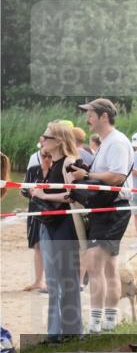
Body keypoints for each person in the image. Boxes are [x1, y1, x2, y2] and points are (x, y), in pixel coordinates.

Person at [70, 98, 133, 333]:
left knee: (94, 263)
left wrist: (86, 175)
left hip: (114, 208)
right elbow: (106, 176)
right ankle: (108, 322)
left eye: (90, 115)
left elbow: (117, 177)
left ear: (104, 116)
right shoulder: (108, 141)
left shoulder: (116, 142)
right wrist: (85, 175)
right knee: (108, 267)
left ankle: (96, 323)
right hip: (108, 207)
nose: (87, 119)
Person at [30, 122, 85, 337]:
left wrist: (43, 194)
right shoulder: (53, 164)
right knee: (53, 283)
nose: (42, 139)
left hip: (64, 227)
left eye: (47, 137)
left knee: (67, 281)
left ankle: (72, 331)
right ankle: (55, 333)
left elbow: (72, 194)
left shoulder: (69, 162)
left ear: (59, 141)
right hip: (48, 225)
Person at [21, 148, 51, 292]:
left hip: (53, 214)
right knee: (37, 246)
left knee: (51, 246)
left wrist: (43, 193)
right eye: (44, 156)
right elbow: (23, 190)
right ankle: (38, 281)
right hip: (35, 212)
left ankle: (50, 281)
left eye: (50, 156)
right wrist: (31, 192)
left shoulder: (57, 172)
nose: (47, 159)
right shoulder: (33, 170)